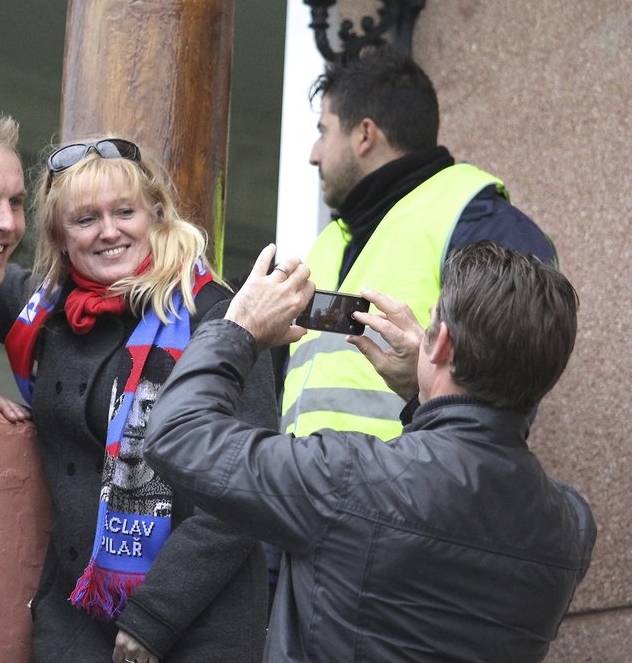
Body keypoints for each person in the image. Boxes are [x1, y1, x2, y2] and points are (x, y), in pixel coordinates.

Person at [143, 240, 596, 661]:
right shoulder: (571, 525)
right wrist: (428, 392)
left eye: (432, 321)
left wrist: (237, 328)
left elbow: (178, 434)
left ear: (440, 344)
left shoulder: (348, 477)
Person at [0, 138, 273, 663]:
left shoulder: (218, 318)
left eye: (125, 211)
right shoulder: (49, 311)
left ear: (155, 214)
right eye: (86, 218)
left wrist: (154, 618)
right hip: (73, 628)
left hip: (196, 627)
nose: (109, 231)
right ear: (61, 238)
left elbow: (245, 492)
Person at [282, 45, 557, 443]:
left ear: (364, 134)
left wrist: (424, 387)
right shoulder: (330, 240)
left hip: (409, 498)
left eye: (323, 131)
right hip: (301, 495)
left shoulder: (477, 220)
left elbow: (509, 390)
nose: (313, 154)